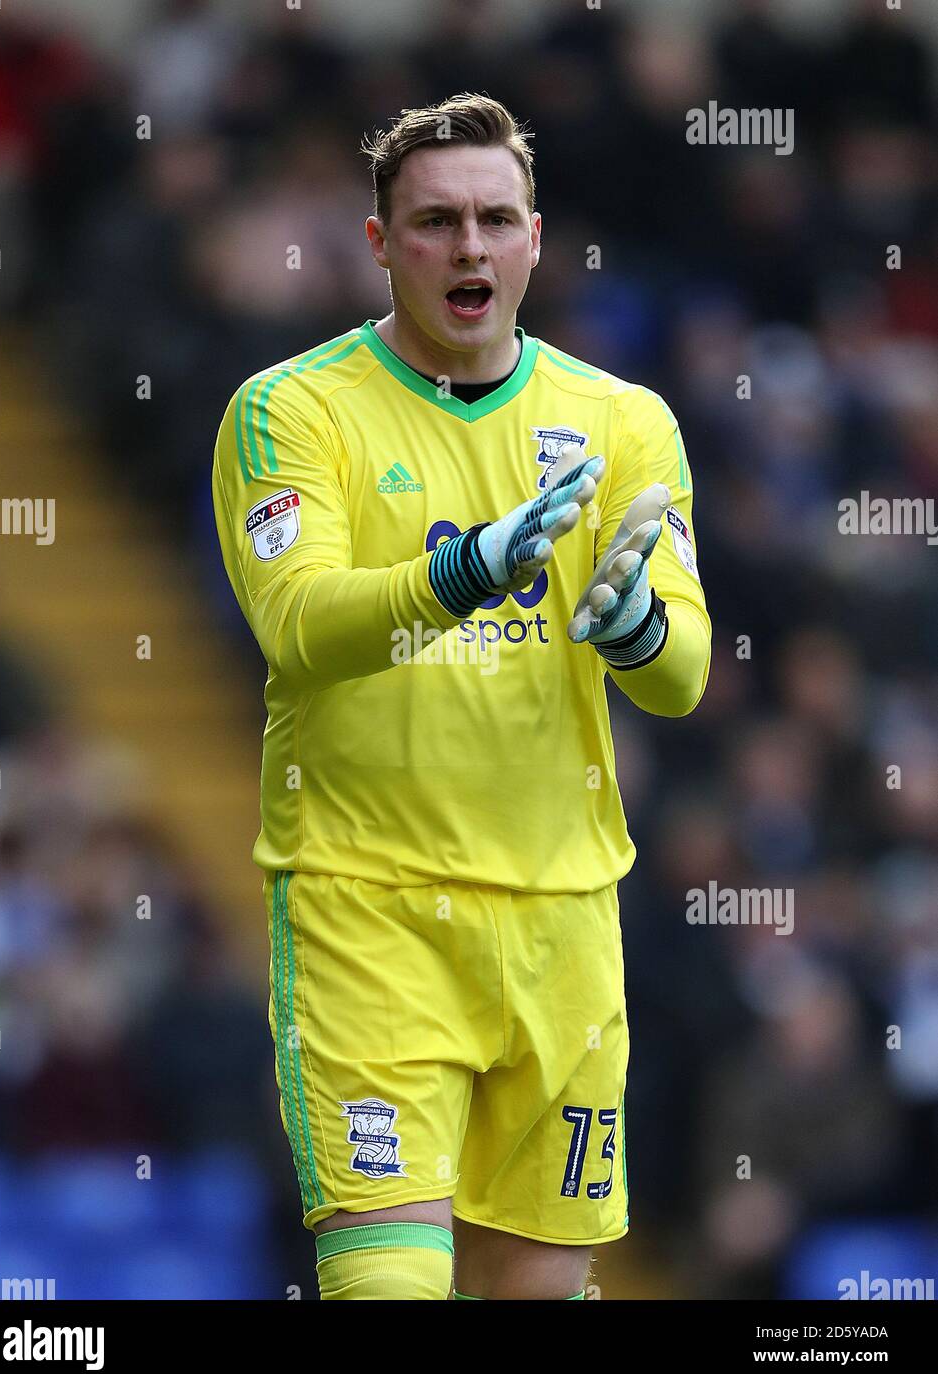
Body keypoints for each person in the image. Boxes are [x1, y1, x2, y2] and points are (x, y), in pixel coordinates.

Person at [211, 93, 711, 1301]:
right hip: (366, 905)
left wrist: (632, 623)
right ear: (380, 246)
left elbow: (684, 675)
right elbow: (300, 625)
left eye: (495, 219)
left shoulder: (622, 422)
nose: (470, 247)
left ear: (536, 237)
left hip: (562, 916)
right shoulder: (290, 410)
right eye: (435, 222)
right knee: (390, 1287)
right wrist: (468, 568)